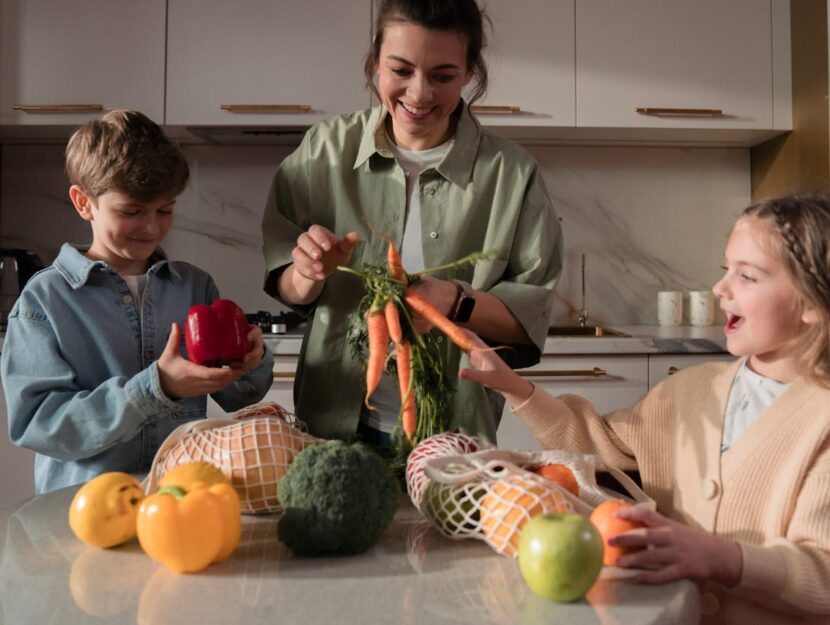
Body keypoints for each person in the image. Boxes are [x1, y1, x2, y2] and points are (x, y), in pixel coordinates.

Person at [460, 193, 830, 624]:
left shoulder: (820, 420)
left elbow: (821, 572)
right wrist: (516, 387)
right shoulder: (692, 391)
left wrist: (721, 557)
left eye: (747, 276)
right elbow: (602, 443)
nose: (720, 288)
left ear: (809, 304)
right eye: (725, 269)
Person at [261, 0, 562, 445]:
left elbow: (528, 319)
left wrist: (454, 301)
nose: (419, 94)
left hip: (455, 432)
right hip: (330, 424)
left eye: (442, 76)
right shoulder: (323, 150)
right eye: (400, 71)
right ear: (374, 66)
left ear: (469, 74)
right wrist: (306, 273)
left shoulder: (512, 175)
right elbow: (286, 285)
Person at [1, 110, 275, 494]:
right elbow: (41, 425)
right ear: (83, 203)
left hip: (180, 499)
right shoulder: (45, 301)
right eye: (131, 212)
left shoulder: (195, 287)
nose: (151, 227)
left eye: (165, 210)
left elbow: (237, 397)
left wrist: (250, 362)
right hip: (84, 509)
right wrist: (156, 387)